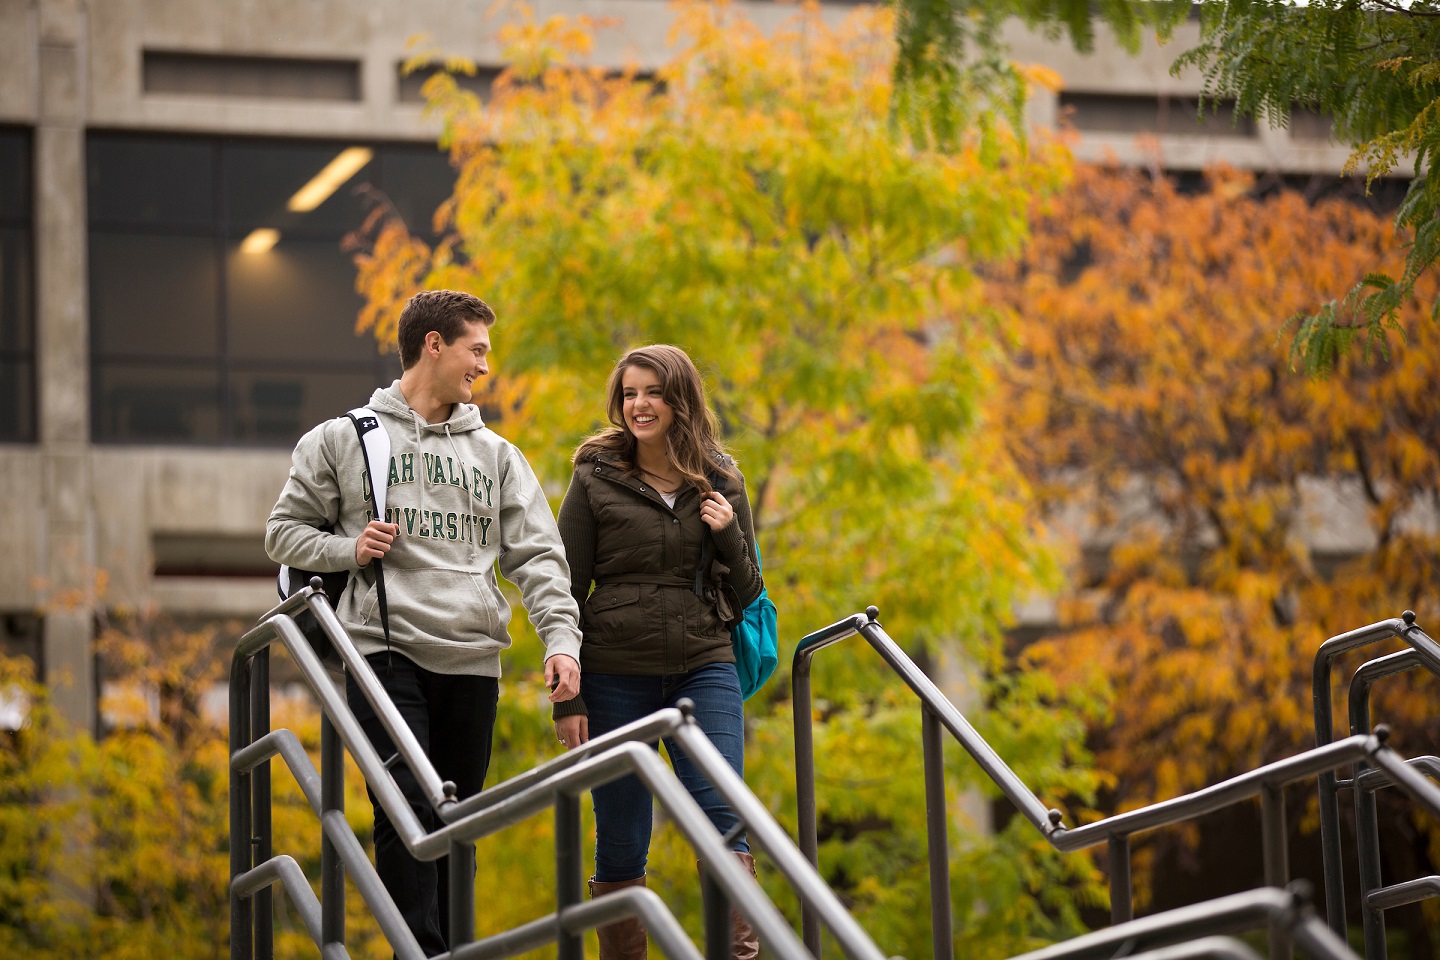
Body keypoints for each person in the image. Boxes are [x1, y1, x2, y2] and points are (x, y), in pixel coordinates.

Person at [265, 289, 582, 957]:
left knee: (456, 821)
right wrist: (346, 550)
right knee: (405, 806)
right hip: (383, 650)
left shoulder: (496, 455)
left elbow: (541, 560)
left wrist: (561, 642)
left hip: (472, 657)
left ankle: (448, 947)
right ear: (433, 345)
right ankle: (426, 951)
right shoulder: (343, 439)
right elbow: (282, 535)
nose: (485, 367)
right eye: (477, 349)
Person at [552, 344, 764, 960]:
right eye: (629, 394)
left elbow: (750, 589)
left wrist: (726, 533)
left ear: (680, 399)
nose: (639, 405)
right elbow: (566, 586)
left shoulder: (723, 478)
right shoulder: (595, 475)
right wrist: (570, 699)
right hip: (615, 675)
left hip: (705, 664)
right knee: (621, 837)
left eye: (652, 392)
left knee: (723, 816)